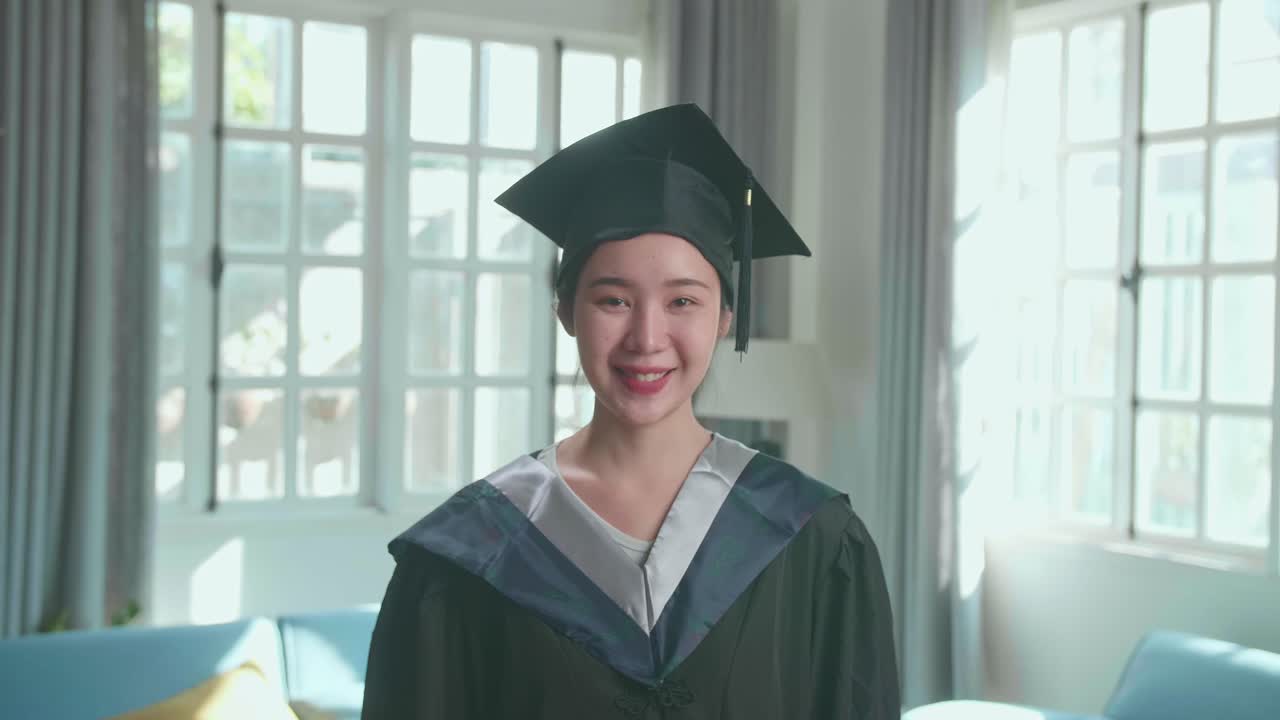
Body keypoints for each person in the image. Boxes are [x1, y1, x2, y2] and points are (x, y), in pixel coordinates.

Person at [361, 103, 900, 719]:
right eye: (614, 299)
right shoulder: (470, 552)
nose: (647, 337)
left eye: (683, 301)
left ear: (725, 319)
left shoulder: (812, 539)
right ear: (565, 310)